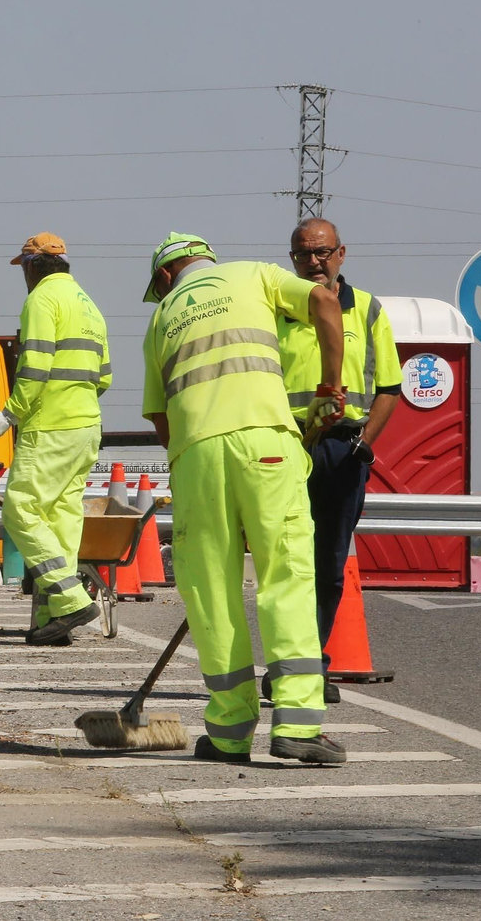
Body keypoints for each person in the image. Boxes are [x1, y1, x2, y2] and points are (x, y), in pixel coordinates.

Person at [140, 231, 349, 764]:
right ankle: (297, 725)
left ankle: (230, 732)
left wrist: (201, 464)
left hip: (194, 458)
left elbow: (162, 420)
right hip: (266, 447)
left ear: (165, 276)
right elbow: (326, 302)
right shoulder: (254, 273)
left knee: (211, 591)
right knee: (286, 577)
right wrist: (330, 387)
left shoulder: (160, 318)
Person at [277, 217, 401, 701]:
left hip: (342, 451)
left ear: (341, 254)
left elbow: (389, 387)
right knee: (288, 565)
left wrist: (365, 442)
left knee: (329, 566)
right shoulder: (277, 310)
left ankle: (312, 665)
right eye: (304, 254)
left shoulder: (367, 309)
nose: (314, 262)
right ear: (292, 259)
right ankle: (287, 664)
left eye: (322, 252)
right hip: (288, 447)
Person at [0, 233, 111, 645]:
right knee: (60, 521)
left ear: (31, 265)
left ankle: (71, 602)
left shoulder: (41, 299)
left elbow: (35, 366)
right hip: (86, 426)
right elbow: (104, 377)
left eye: (22, 267)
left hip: (51, 426)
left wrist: (10, 414)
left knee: (20, 510)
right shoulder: (89, 304)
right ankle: (51, 619)